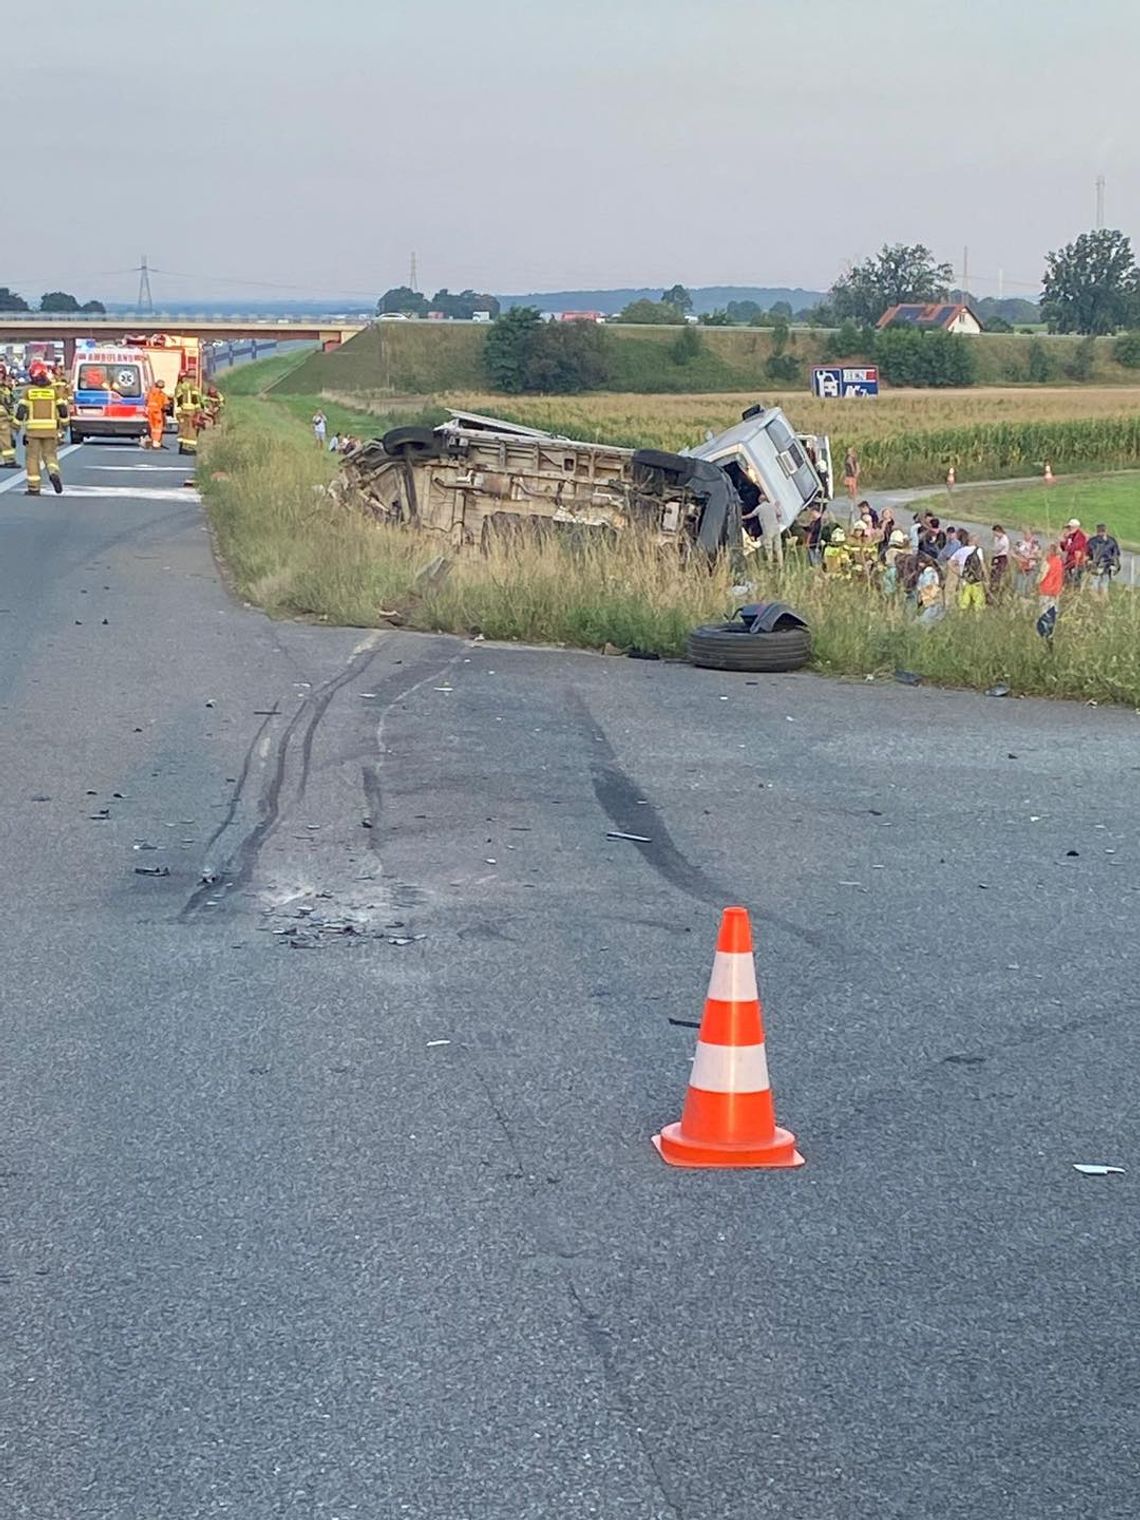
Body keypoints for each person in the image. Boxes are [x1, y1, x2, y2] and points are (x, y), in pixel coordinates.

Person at [14, 362, 67, 495]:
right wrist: (65, 425)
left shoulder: (28, 391)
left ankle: (34, 487)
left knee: (32, 458)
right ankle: (53, 472)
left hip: (33, 431)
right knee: (50, 455)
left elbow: (21, 410)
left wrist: (15, 426)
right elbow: (62, 409)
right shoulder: (53, 391)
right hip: (50, 430)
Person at [1085, 522, 1121, 596]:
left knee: (1101, 586)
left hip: (1105, 567)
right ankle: (1099, 603)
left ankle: (1101, 603)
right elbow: (1087, 553)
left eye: (1102, 531)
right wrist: (1089, 561)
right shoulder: (1093, 541)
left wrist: (1115, 565)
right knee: (1096, 586)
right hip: (1096, 566)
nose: (1101, 533)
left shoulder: (1111, 541)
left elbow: (1116, 555)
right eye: (1101, 531)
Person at [953, 532, 986, 611]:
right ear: (975, 542)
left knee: (963, 600)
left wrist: (957, 573)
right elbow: (982, 564)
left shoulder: (961, 550)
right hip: (976, 579)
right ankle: (977, 618)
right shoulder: (978, 550)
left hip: (964, 578)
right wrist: (986, 576)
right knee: (978, 601)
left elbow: (950, 563)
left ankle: (961, 616)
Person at [174, 372, 204, 455]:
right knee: (191, 430)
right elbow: (196, 400)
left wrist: (180, 410)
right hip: (191, 411)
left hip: (182, 411)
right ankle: (188, 448)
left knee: (183, 429)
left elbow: (178, 399)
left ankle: (182, 446)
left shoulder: (180, 387)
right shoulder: (193, 387)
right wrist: (199, 410)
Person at [1013, 527, 1042, 596]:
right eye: (1025, 534)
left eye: (1028, 534)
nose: (1026, 535)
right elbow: (1012, 553)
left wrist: (1031, 557)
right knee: (1019, 585)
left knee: (1028, 585)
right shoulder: (1019, 543)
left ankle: (1026, 597)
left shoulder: (1036, 544)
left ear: (1032, 535)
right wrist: (1018, 558)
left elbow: (1040, 556)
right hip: (1021, 566)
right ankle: (1019, 596)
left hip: (1031, 567)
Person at [1038, 542, 1064, 612]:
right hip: (1056, 590)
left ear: (1051, 551)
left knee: (1043, 610)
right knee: (1053, 610)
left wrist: (1037, 584)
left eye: (1048, 550)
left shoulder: (1048, 562)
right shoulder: (1059, 562)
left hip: (1046, 589)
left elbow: (1041, 576)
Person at [1061, 519, 1088, 584]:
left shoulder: (1080, 537)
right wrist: (1063, 541)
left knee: (1074, 581)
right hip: (1069, 561)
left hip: (1076, 562)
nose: (1068, 529)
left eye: (1069, 527)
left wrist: (1065, 543)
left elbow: (1074, 548)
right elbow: (1064, 548)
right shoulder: (1070, 536)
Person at [144, 378, 169, 449]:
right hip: (157, 412)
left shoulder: (150, 393)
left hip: (150, 412)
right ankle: (156, 443)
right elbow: (166, 405)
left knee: (152, 427)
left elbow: (146, 401)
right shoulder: (162, 394)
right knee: (158, 428)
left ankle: (151, 440)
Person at [0, 376, 18, 468]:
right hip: (2, 417)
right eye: (9, 380)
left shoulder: (6, 390)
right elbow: (8, 404)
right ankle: (9, 460)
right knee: (6, 438)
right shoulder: (4, 390)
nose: (11, 382)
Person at [990, 524, 1011, 594]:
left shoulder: (1004, 540)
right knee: (993, 572)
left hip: (1002, 557)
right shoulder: (996, 538)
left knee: (998, 573)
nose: (994, 534)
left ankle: (996, 587)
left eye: (995, 533)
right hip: (995, 556)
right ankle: (992, 585)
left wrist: (993, 550)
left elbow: (998, 549)